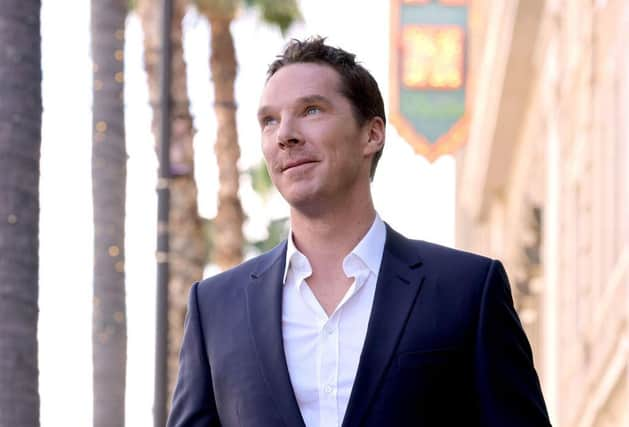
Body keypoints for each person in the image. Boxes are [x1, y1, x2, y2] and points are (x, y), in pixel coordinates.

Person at [167, 36, 551, 427]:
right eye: (269, 120)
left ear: (372, 134)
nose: (285, 134)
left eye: (311, 110)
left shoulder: (467, 289)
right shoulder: (215, 308)